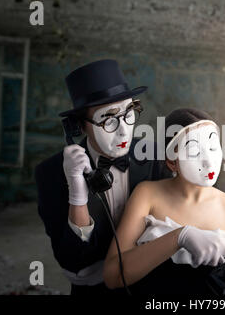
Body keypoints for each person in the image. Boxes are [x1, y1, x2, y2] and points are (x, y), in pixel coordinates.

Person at [35, 59, 171, 295]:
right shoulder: (50, 173)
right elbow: (72, 260)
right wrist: (77, 194)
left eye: (129, 114)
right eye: (108, 119)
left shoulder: (155, 156)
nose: (123, 130)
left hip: (153, 285)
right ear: (79, 127)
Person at [103, 108, 225, 295]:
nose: (209, 162)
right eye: (195, 152)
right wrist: (179, 237)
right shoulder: (147, 195)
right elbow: (112, 276)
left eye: (213, 148)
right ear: (172, 162)